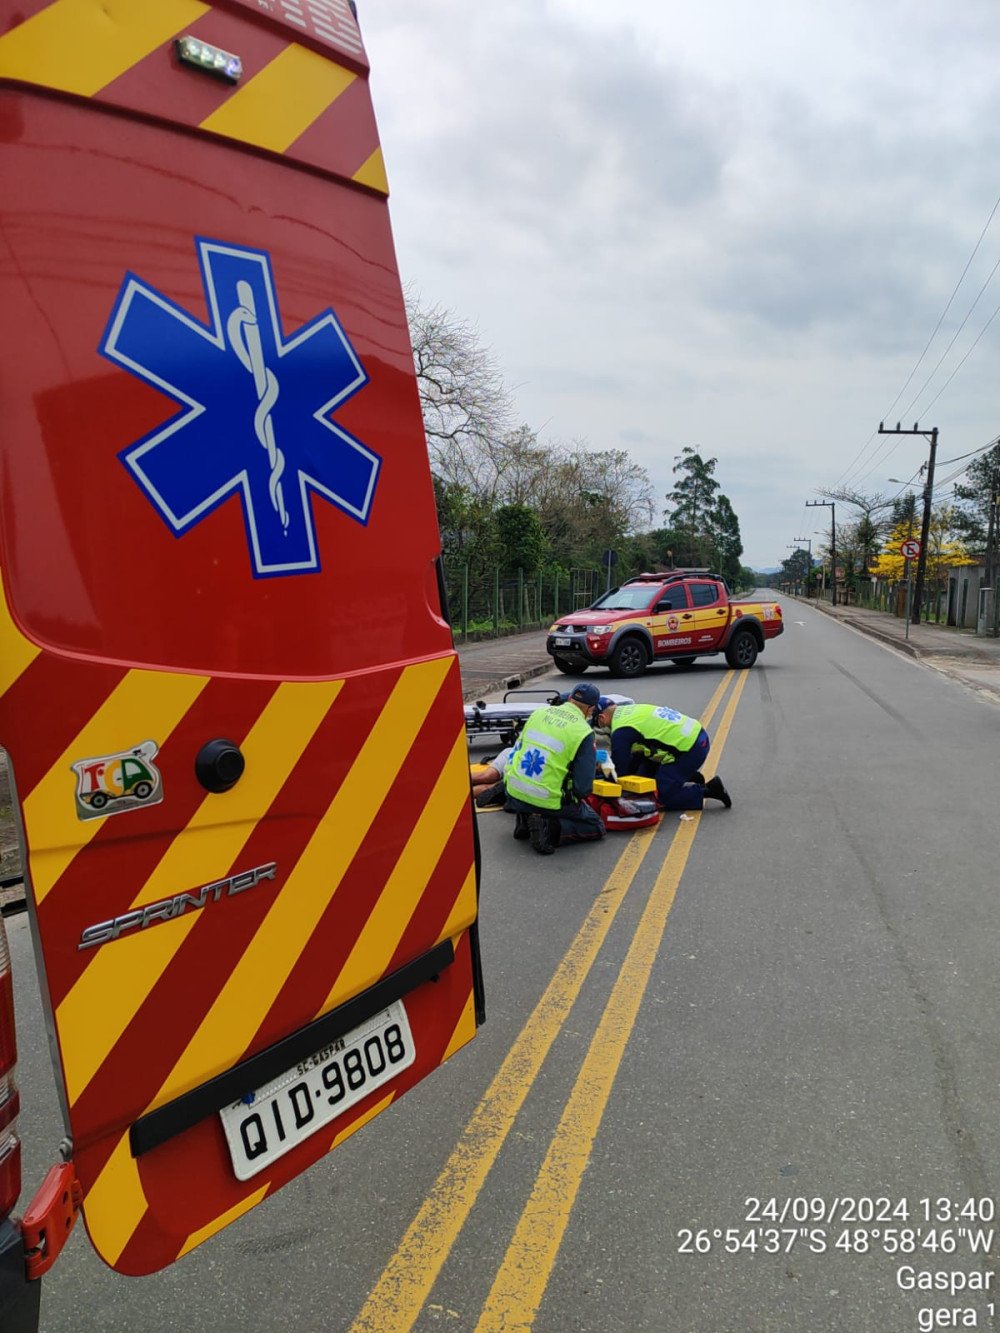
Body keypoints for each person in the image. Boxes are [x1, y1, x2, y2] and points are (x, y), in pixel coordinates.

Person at [503, 682, 607, 855]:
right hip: (545, 799)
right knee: (596, 826)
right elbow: (582, 789)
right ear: (591, 709)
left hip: (513, 792)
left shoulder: (538, 713)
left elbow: (517, 750)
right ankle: (547, 828)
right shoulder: (583, 732)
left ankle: (525, 818)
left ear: (570, 699)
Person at [596, 700, 732, 812]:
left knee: (658, 798)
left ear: (602, 718)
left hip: (690, 750)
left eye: (597, 725)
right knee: (644, 777)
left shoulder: (621, 731)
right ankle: (685, 775)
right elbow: (636, 756)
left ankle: (709, 790)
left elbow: (619, 770)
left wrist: (602, 785)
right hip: (696, 736)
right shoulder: (629, 711)